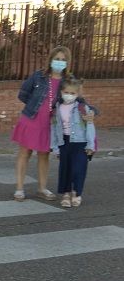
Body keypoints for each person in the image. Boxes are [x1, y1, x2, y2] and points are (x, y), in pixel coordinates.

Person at [11, 46, 74, 202]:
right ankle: (19, 189)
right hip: (31, 119)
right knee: (25, 153)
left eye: (63, 60)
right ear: (51, 59)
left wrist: (90, 110)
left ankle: (42, 188)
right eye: (57, 59)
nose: (60, 62)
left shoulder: (68, 80)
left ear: (67, 62)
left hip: (51, 123)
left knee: (44, 155)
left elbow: (77, 99)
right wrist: (35, 107)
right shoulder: (39, 76)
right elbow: (23, 94)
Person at [50, 77, 96, 208]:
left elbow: (90, 125)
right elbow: (54, 127)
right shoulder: (57, 108)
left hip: (80, 142)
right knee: (65, 169)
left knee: (79, 169)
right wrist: (55, 147)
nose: (69, 95)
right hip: (64, 142)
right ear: (61, 92)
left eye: (72, 93)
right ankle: (66, 194)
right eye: (66, 92)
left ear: (77, 94)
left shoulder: (82, 108)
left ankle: (77, 193)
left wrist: (90, 145)